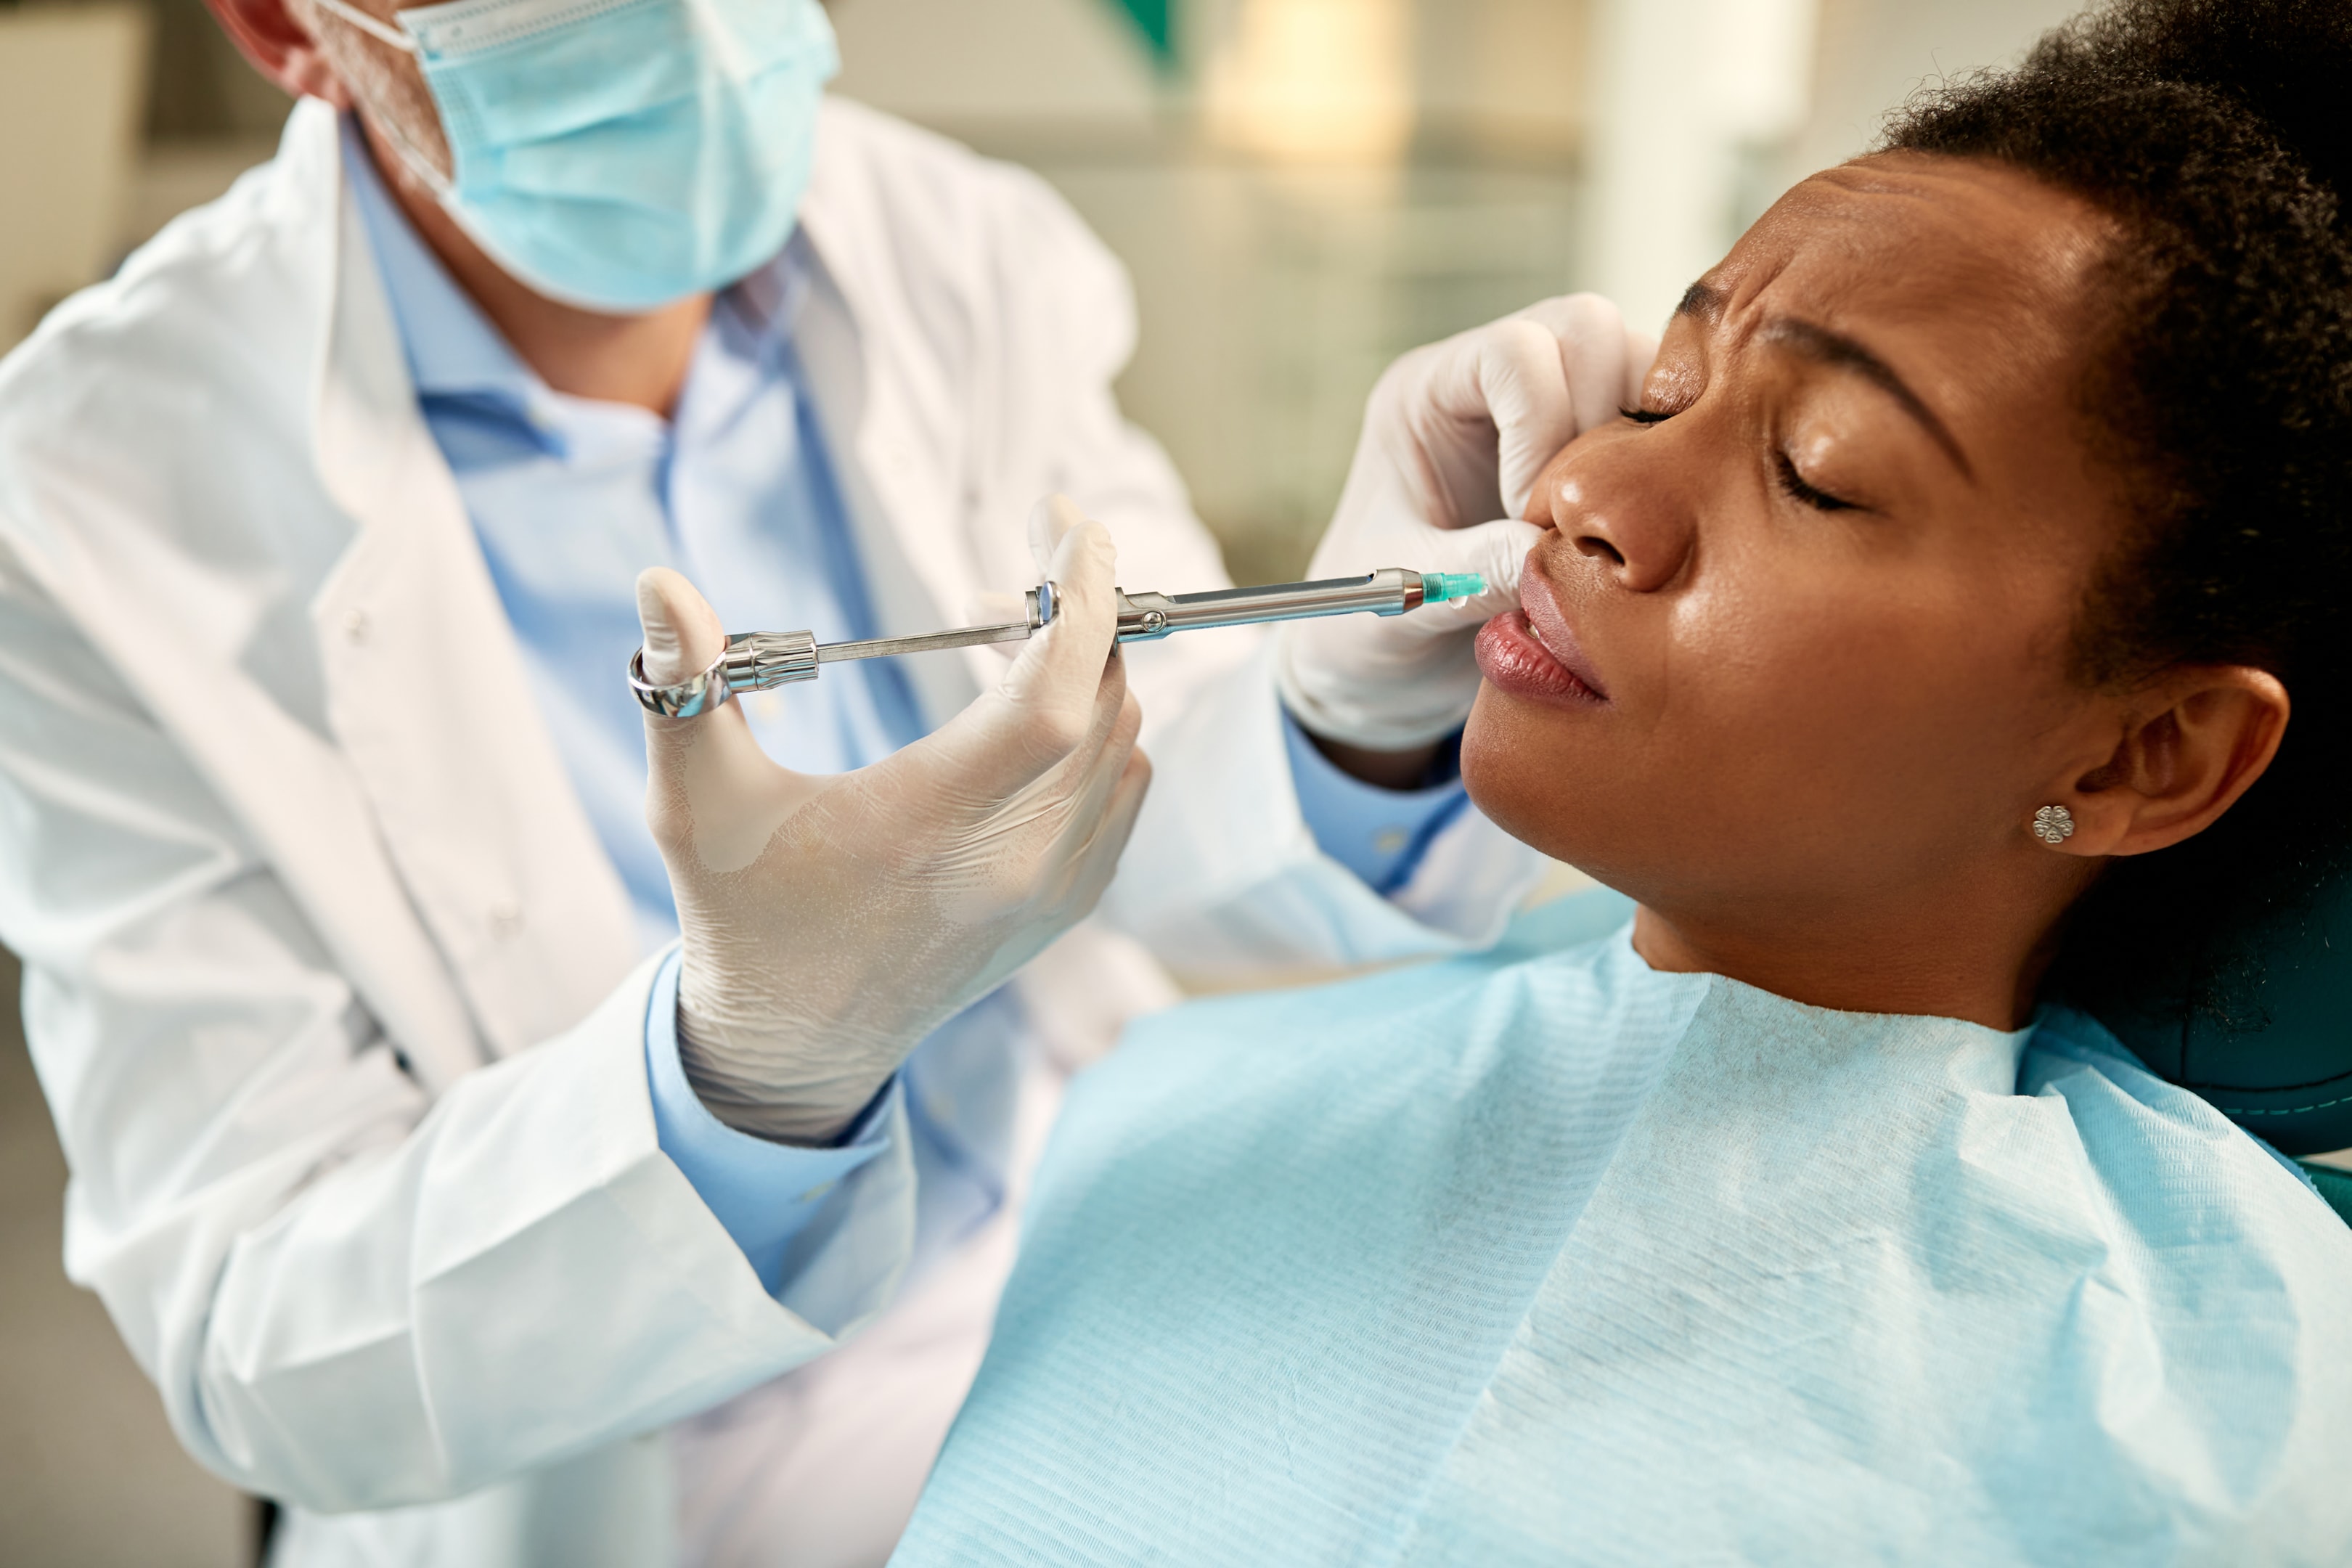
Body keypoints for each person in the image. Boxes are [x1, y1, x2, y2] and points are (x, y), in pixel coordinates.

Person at [0, 0, 1654, 1564]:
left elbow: (1154, 761)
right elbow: (258, 1329)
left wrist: (1338, 702)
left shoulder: (958, 250)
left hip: (1068, 1262)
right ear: (293, 30)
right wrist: (746, 1074)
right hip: (619, 1458)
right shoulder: (82, 502)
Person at [891, 1, 2352, 1561]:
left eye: (1821, 472)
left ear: (2145, 754)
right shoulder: (1175, 1117)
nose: (1582, 485)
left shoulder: (2225, 1420)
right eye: (1661, 388)